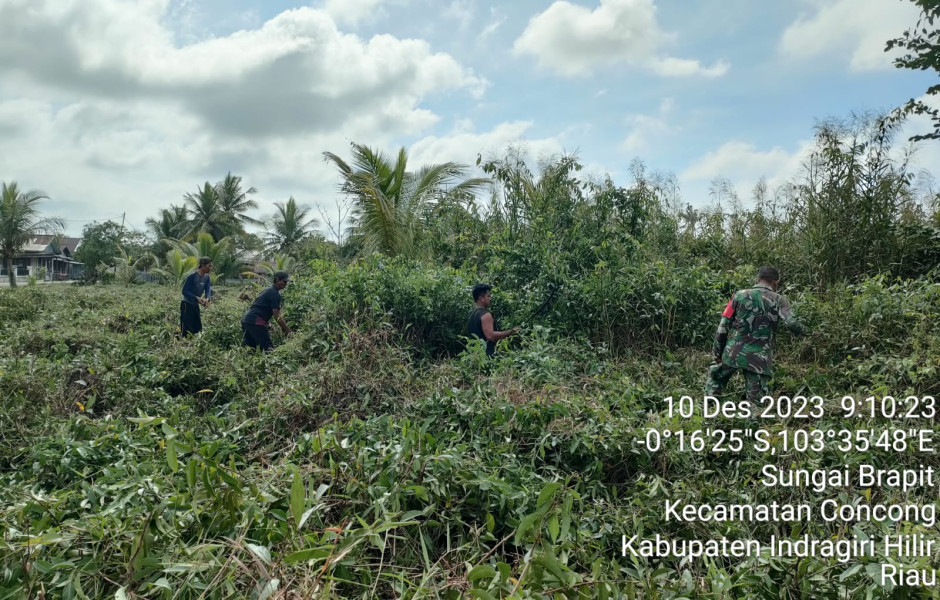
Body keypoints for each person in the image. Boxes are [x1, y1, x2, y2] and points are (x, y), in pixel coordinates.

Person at [705, 266, 807, 402]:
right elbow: (792, 324)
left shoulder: (738, 295)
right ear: (776, 282)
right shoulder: (779, 300)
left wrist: (717, 353)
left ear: (757, 279)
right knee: (756, 404)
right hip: (759, 359)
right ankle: (752, 418)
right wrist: (809, 333)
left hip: (733, 353)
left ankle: (708, 416)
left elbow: (723, 326)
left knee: (714, 385)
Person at [241, 270, 293, 351]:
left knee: (252, 350)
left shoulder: (268, 289)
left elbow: (260, 308)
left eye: (286, 282)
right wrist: (288, 330)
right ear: (278, 280)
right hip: (255, 322)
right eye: (284, 281)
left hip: (246, 320)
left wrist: (268, 325)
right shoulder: (275, 294)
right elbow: (277, 316)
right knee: (268, 350)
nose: (285, 284)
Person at [467, 283, 519, 357]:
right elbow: (490, 336)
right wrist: (510, 332)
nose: (490, 298)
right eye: (488, 296)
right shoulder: (486, 315)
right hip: (488, 356)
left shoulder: (472, 316)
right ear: (481, 298)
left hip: (476, 357)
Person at [180, 257, 213, 337]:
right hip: (186, 304)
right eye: (209, 266)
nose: (211, 268)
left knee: (197, 328)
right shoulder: (192, 276)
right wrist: (196, 298)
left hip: (195, 304)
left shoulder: (207, 277)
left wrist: (207, 298)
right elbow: (184, 291)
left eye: (211, 266)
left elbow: (208, 288)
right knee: (187, 329)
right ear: (202, 265)